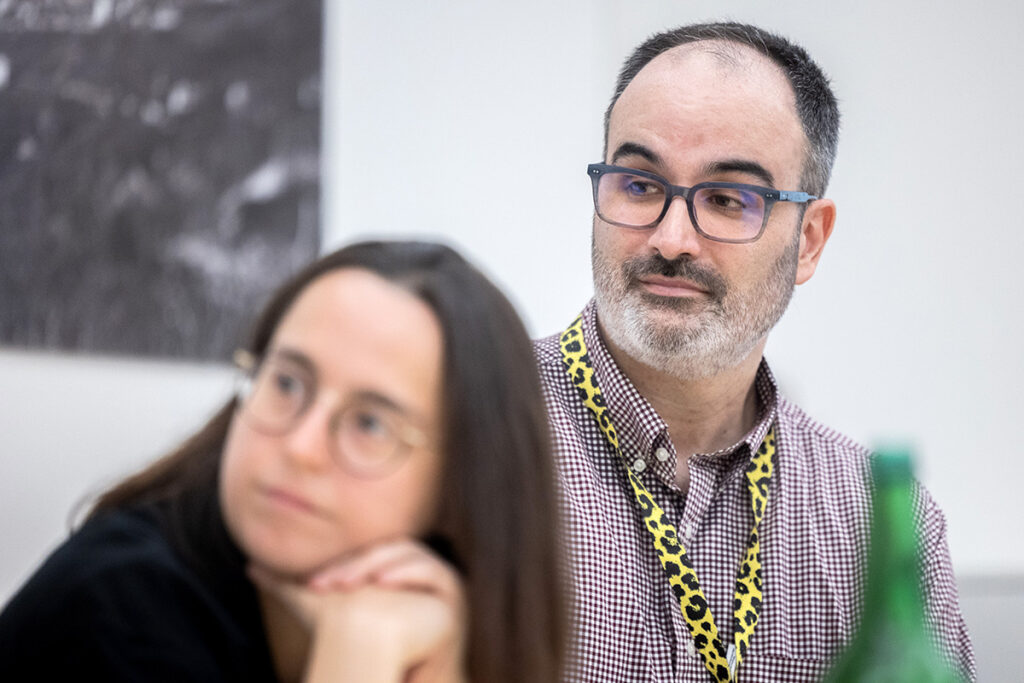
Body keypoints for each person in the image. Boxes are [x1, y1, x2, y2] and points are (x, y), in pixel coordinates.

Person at [534, 22, 975, 682]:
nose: (672, 237)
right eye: (639, 184)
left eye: (726, 199)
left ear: (808, 240)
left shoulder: (875, 522)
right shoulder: (464, 428)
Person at [0, 240, 564, 682]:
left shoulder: (443, 622)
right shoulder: (120, 607)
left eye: (370, 423)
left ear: (462, 484)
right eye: (288, 383)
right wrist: (358, 659)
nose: (300, 446)